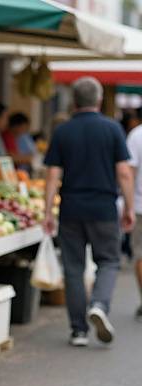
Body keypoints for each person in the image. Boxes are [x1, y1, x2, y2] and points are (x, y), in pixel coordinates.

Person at [43, 77, 135, 347]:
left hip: (71, 208)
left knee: (73, 267)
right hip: (104, 208)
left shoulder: (63, 131)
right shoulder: (113, 129)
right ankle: (98, 305)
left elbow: (52, 175)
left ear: (74, 101)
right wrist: (129, 207)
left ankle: (79, 330)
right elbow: (124, 173)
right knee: (108, 261)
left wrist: (47, 211)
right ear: (98, 100)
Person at [126, 121, 142, 320]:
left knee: (140, 253)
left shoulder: (137, 135)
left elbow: (127, 173)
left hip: (140, 205)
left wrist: (127, 205)